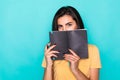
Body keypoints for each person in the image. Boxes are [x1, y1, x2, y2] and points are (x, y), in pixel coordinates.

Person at [42, 6, 101, 80]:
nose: (64, 30)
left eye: (69, 25)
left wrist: (75, 70)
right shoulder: (51, 49)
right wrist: (49, 65)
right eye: (60, 26)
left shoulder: (92, 50)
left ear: (77, 25)